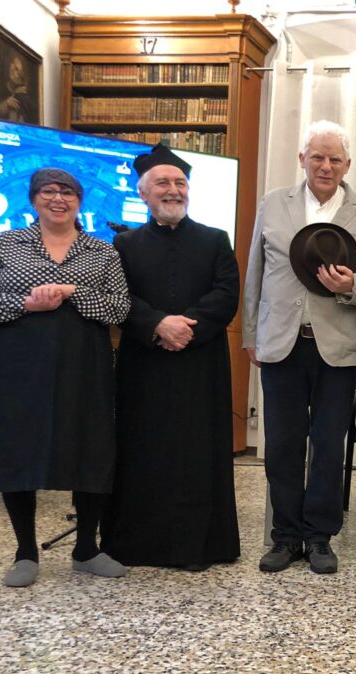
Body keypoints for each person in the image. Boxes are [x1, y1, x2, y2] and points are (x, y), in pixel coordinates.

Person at [243, 120, 356, 575]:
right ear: (302, 159)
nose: (325, 166)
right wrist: (251, 336)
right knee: (282, 445)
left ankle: (319, 537)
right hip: (281, 344)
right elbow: (255, 274)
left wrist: (353, 285)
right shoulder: (273, 204)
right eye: (317, 157)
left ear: (347, 165)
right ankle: (285, 537)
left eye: (334, 159)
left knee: (329, 446)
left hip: (338, 349)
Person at [0, 167, 130, 587]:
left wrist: (73, 292)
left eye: (67, 192)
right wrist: (28, 303)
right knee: (18, 446)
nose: (58, 198)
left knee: (90, 446)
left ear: (79, 200)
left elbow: (120, 308)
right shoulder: (5, 243)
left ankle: (86, 549)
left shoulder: (102, 250)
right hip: (14, 364)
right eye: (48, 191)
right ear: (33, 198)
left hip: (84, 363)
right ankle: (25, 552)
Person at [100, 144, 241, 571]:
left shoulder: (215, 239)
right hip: (145, 365)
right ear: (143, 192)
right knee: (143, 450)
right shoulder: (124, 244)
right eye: (163, 182)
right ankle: (138, 544)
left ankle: (201, 545)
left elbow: (227, 293)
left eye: (180, 182)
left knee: (198, 452)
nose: (173, 190)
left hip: (201, 365)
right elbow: (118, 297)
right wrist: (158, 324)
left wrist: (185, 328)